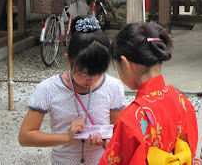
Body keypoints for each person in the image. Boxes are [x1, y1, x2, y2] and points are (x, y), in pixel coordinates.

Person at [19, 16, 125, 165]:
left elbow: (119, 132)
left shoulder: (113, 87)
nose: (91, 79)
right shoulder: (49, 88)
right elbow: (25, 136)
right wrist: (66, 137)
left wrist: (107, 139)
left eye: (98, 72)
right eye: (83, 73)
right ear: (68, 60)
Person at [99, 21, 202, 165]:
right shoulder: (183, 102)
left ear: (125, 63)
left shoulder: (130, 120)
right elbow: (190, 150)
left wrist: (115, 143)